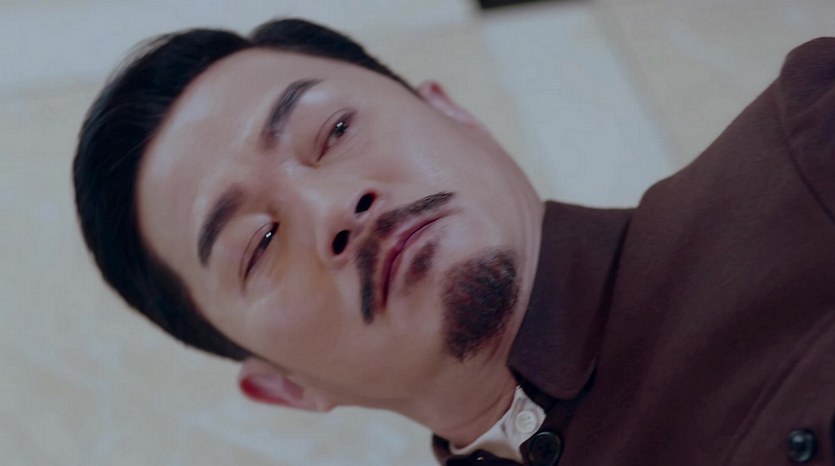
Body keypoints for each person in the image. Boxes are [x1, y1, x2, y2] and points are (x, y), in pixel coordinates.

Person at [73, 18, 834, 466]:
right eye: (261, 241)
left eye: (334, 131)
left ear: (454, 113)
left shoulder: (809, 142)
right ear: (285, 388)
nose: (335, 207)